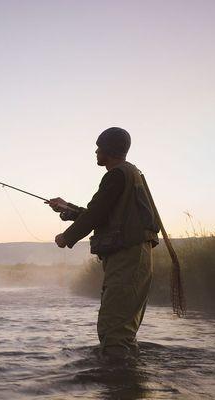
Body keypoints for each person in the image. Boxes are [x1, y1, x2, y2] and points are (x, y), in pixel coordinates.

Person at [47, 127, 159, 361]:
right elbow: (106, 213)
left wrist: (66, 237)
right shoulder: (131, 174)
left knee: (113, 329)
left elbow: (96, 213)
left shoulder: (116, 174)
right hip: (134, 256)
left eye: (99, 147)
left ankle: (118, 386)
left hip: (128, 257)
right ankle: (127, 382)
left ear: (109, 149)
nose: (96, 151)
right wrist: (67, 208)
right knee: (122, 331)